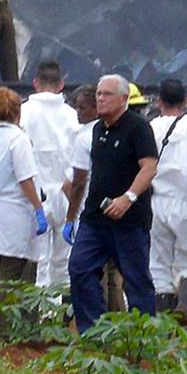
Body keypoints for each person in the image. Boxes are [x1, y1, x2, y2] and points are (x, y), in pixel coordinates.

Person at [67, 74, 158, 333]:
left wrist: (128, 198)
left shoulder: (138, 128)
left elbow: (149, 168)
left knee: (136, 280)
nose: (100, 98)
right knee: (79, 269)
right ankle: (95, 331)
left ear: (123, 98)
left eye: (106, 94)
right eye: (98, 94)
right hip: (95, 218)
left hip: (129, 220)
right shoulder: (97, 129)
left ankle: (144, 338)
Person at [0, 86, 48, 283]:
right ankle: (6, 316)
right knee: (13, 281)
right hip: (15, 218)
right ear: (17, 111)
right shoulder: (18, 139)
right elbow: (25, 178)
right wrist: (39, 209)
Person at [148, 79, 187, 325]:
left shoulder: (149, 128)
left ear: (159, 101)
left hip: (156, 202)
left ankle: (165, 325)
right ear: (186, 102)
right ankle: (184, 306)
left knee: (158, 266)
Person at [63, 86, 126, 312]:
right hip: (116, 210)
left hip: (90, 215)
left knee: (92, 271)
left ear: (96, 109)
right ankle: (119, 325)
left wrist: (71, 217)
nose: (78, 112)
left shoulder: (84, 136)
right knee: (114, 275)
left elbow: (73, 183)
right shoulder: (120, 131)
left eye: (83, 107)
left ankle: (96, 327)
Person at [19, 60, 79, 287]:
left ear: (35, 83)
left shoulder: (24, 113)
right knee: (64, 262)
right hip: (67, 193)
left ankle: (43, 314)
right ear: (61, 84)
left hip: (36, 196)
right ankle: (62, 313)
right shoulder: (72, 115)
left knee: (39, 261)